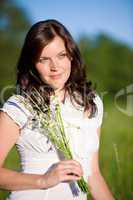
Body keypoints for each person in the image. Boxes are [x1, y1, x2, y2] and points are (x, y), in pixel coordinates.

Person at [0, 19, 114, 200]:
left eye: (61, 55)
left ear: (71, 55)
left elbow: (93, 175)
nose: (55, 67)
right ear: (32, 64)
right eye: (43, 59)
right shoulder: (19, 106)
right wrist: (43, 180)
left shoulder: (91, 103)